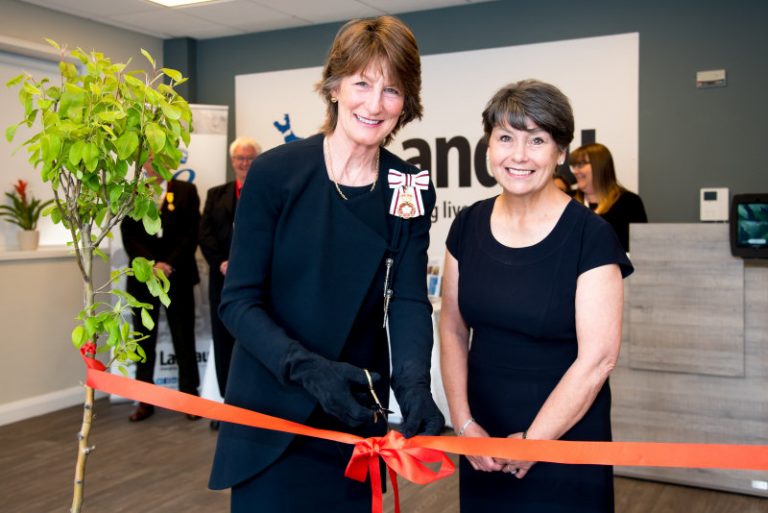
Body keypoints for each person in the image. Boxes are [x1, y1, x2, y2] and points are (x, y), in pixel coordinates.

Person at [209, 16, 444, 513]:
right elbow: (239, 302)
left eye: (392, 90)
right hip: (272, 408)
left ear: (408, 102)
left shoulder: (408, 185)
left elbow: (406, 299)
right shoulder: (275, 173)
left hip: (354, 410)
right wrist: (307, 369)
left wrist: (415, 386)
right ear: (335, 87)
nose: (375, 104)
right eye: (362, 83)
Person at [439, 79, 633, 512]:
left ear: (560, 152)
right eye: (506, 138)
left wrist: (533, 441)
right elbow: (451, 326)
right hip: (483, 439)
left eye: (537, 140)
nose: (519, 155)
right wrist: (464, 422)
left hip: (565, 437)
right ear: (489, 147)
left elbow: (598, 358)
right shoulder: (467, 226)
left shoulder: (592, 237)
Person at [121, 154, 201, 422]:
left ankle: (190, 397)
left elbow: (192, 233)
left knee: (183, 338)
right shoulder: (132, 193)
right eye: (149, 161)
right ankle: (145, 400)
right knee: (144, 340)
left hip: (177, 276)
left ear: (169, 164)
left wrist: (167, 264)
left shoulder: (186, 191)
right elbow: (129, 236)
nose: (154, 166)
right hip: (144, 279)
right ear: (142, 165)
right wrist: (151, 266)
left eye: (159, 161)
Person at [199, 136, 261, 430]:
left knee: (252, 342)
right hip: (222, 279)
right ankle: (227, 407)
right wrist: (222, 261)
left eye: (249, 158)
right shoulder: (215, 194)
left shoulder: (267, 191)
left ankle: (250, 406)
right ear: (232, 161)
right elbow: (205, 234)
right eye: (240, 158)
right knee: (224, 342)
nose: (244, 163)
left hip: (257, 281)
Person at [570, 143, 647, 252]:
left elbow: (639, 249)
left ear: (599, 166)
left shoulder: (629, 203)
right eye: (574, 166)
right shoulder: (567, 200)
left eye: (581, 165)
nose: (575, 171)